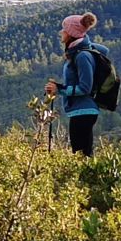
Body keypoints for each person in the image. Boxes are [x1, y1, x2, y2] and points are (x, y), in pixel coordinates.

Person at [45, 12, 107, 157]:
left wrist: (59, 89)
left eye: (64, 29)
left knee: (81, 155)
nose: (62, 32)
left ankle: (86, 179)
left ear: (71, 33)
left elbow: (85, 87)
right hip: (82, 111)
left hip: (84, 111)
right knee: (83, 154)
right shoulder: (78, 52)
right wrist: (58, 88)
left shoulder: (82, 56)